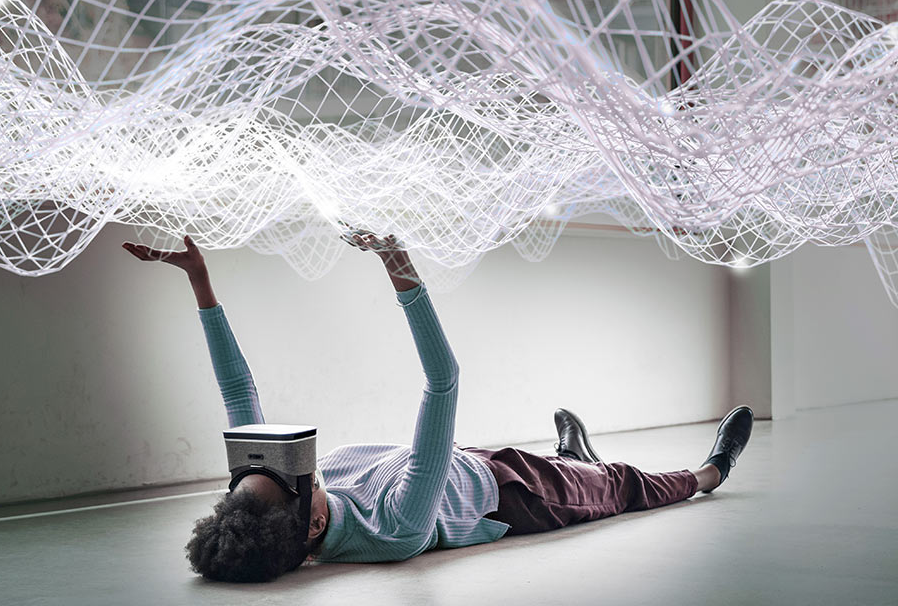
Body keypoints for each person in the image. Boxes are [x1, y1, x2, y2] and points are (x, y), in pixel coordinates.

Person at [122, 231, 753, 583]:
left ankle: (572, 455)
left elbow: (239, 396)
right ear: (313, 526)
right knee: (617, 487)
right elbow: (444, 379)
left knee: (585, 471)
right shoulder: (393, 529)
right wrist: (400, 269)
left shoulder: (292, 512)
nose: (296, 464)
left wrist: (199, 280)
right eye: (295, 478)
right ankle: (710, 472)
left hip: (463, 462)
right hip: (517, 494)